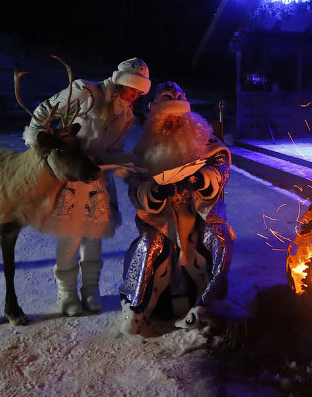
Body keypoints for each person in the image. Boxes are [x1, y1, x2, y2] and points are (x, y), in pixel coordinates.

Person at [22, 57, 151, 316]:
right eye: (131, 89)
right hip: (70, 174)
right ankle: (67, 295)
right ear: (120, 82)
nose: (134, 96)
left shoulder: (125, 114)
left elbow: (114, 148)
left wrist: (121, 163)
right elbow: (45, 110)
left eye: (139, 92)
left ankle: (91, 291)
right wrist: (39, 141)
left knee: (94, 236)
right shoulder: (85, 91)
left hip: (97, 178)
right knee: (70, 236)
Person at [120, 81, 233, 335]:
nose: (172, 125)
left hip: (198, 219)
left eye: (178, 120)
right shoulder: (144, 150)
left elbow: (221, 167)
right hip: (161, 221)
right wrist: (153, 191)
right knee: (150, 247)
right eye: (166, 121)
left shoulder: (206, 142)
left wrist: (202, 178)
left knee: (220, 241)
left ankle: (205, 303)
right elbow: (134, 185)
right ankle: (136, 309)